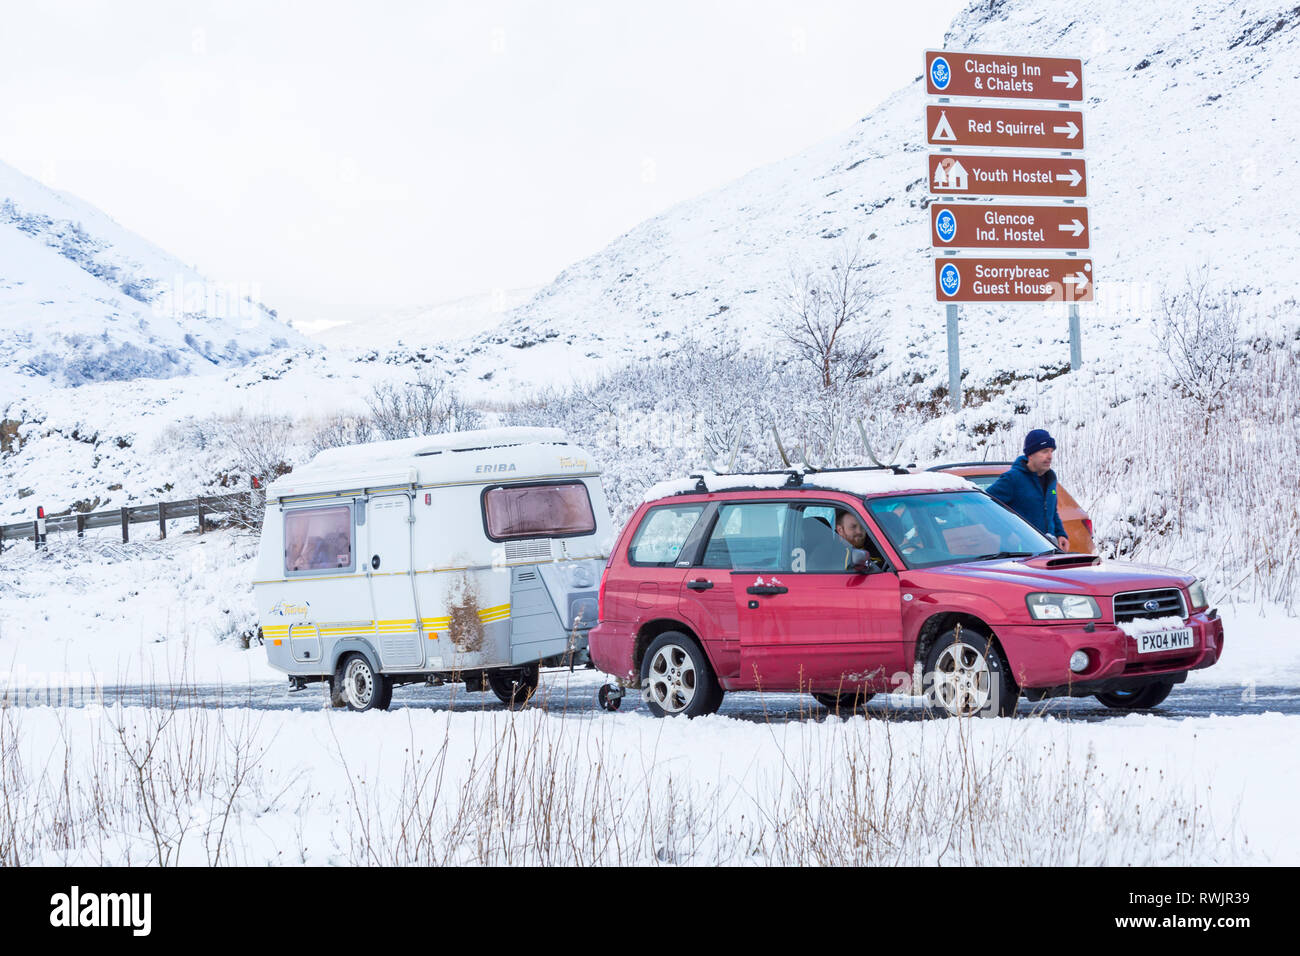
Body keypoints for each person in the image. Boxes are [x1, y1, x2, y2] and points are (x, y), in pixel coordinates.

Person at [987, 429, 1070, 551]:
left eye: (1051, 451)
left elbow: (1052, 511)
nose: (1050, 456)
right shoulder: (1013, 478)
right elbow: (986, 508)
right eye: (1044, 451)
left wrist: (1060, 534)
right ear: (1030, 455)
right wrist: (1008, 533)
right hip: (1021, 554)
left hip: (1048, 549)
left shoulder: (1050, 478)